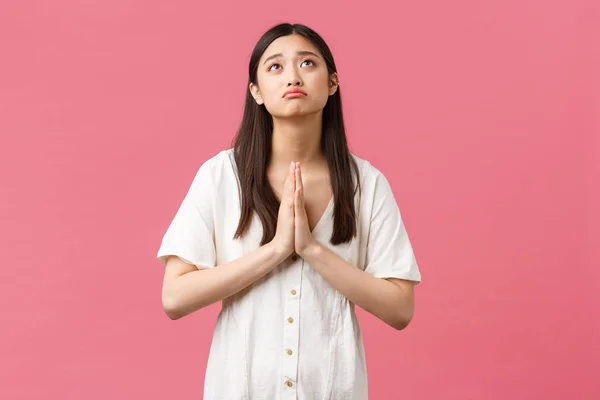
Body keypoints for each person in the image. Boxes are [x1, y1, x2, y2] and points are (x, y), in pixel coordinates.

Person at [156, 22, 422, 400]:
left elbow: (400, 309)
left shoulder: (367, 183)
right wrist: (276, 250)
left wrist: (312, 251)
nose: (293, 76)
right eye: (275, 67)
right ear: (256, 92)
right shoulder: (221, 176)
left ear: (332, 83)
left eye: (308, 63)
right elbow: (174, 298)